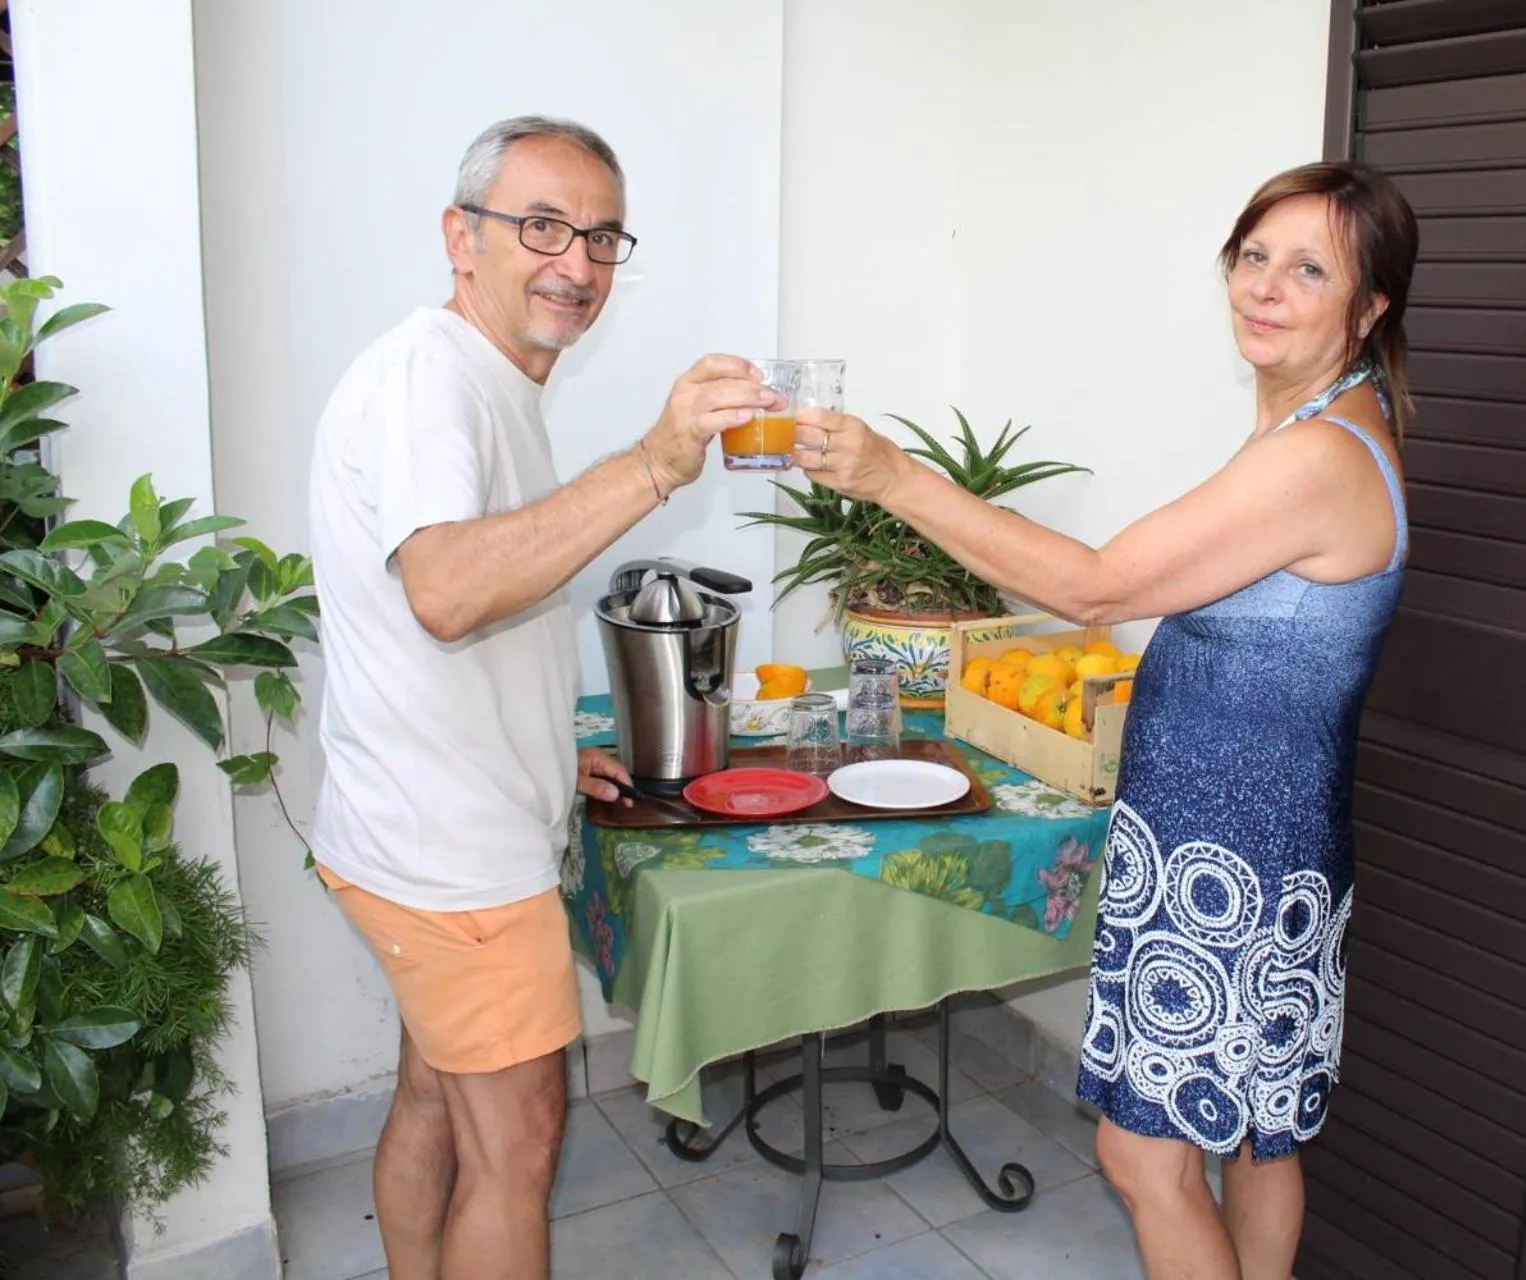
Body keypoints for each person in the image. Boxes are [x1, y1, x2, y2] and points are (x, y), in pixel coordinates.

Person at [793, 159, 1417, 1279]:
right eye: (1254, 255)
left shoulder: (1320, 455)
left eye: (1309, 269)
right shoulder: (1321, 424)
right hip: (1260, 850)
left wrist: (893, 475)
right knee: (1256, 1138)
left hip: (1229, 863)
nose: (1265, 287)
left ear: (1368, 308)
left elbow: (1092, 586)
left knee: (1144, 1158)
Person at [306, 116, 778, 1280]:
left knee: (439, 1093)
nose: (577, 262)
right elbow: (449, 589)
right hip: (451, 855)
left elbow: (471, 595)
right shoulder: (435, 379)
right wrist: (658, 461)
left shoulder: (480, 378)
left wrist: (536, 747)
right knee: (518, 1145)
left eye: (603, 236)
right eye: (543, 226)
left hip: (413, 820)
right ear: (461, 237)